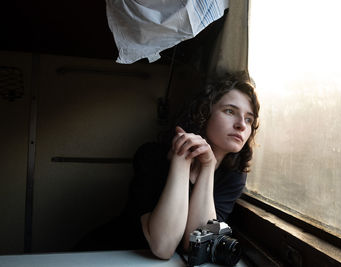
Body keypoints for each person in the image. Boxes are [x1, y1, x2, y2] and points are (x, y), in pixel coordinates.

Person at [74, 72, 260, 259]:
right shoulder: (152, 156)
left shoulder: (233, 176)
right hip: (101, 255)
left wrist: (208, 166)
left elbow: (196, 245)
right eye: (230, 111)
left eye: (249, 119)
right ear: (205, 112)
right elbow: (163, 246)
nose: (242, 125)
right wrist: (181, 160)